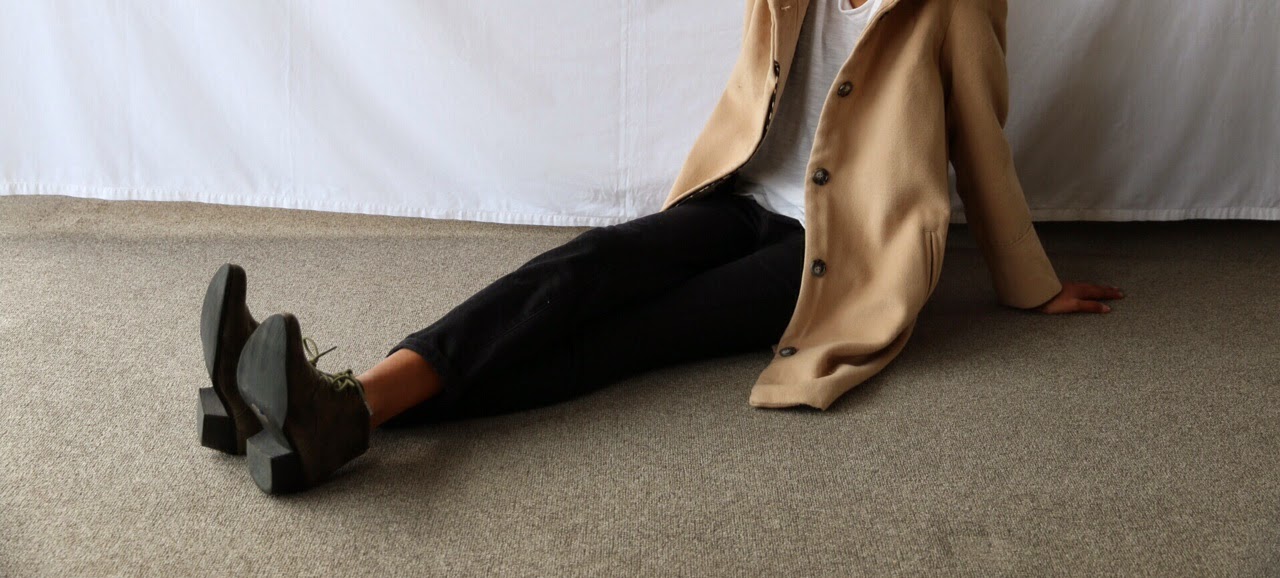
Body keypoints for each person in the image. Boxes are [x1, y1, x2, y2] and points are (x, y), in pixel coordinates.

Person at [197, 0, 1125, 494]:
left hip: (833, 249)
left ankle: (321, 410)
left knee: (635, 333)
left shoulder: (955, 5)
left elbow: (981, 141)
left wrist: (1030, 284)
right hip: (741, 199)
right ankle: (322, 412)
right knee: (584, 269)